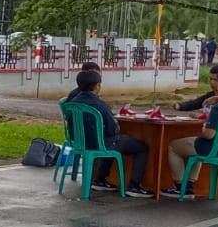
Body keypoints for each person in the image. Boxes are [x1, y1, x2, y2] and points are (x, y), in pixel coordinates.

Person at [163, 64, 218, 200]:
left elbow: (209, 134)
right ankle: (189, 185)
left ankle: (180, 187)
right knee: (194, 144)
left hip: (213, 150)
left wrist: (200, 130)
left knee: (174, 146)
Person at [64, 68, 152, 197]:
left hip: (79, 143)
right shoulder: (99, 104)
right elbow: (112, 129)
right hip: (101, 144)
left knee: (112, 141)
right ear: (97, 86)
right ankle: (134, 186)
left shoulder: (73, 102)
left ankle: (100, 179)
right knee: (141, 147)